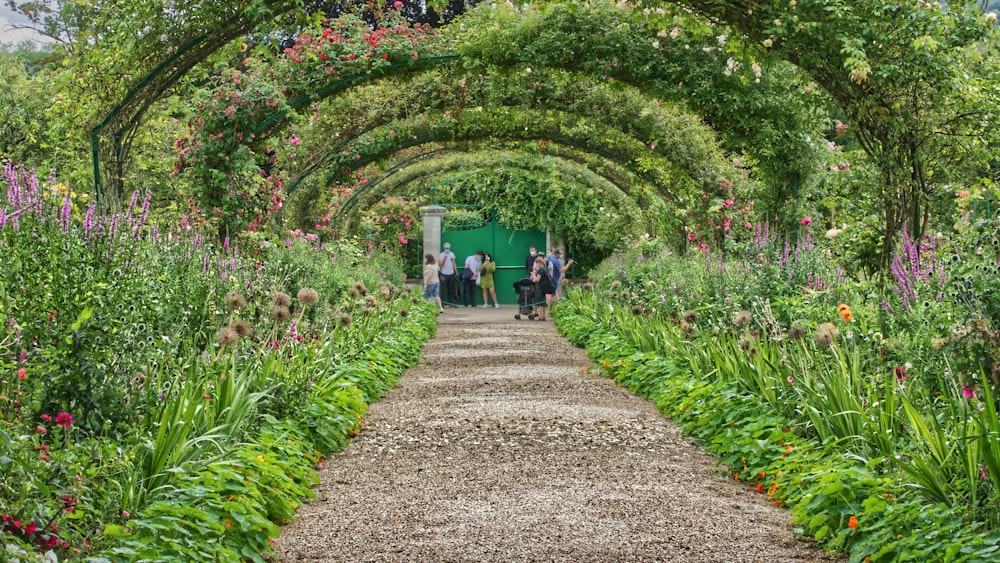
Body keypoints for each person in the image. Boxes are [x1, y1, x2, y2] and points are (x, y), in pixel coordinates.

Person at [530, 256, 555, 321]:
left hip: (540, 287)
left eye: (536, 263)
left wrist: (533, 275)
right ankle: (544, 316)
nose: (536, 265)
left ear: (539, 263)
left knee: (540, 303)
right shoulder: (545, 269)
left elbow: (537, 280)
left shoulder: (540, 270)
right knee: (543, 303)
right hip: (545, 287)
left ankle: (540, 316)